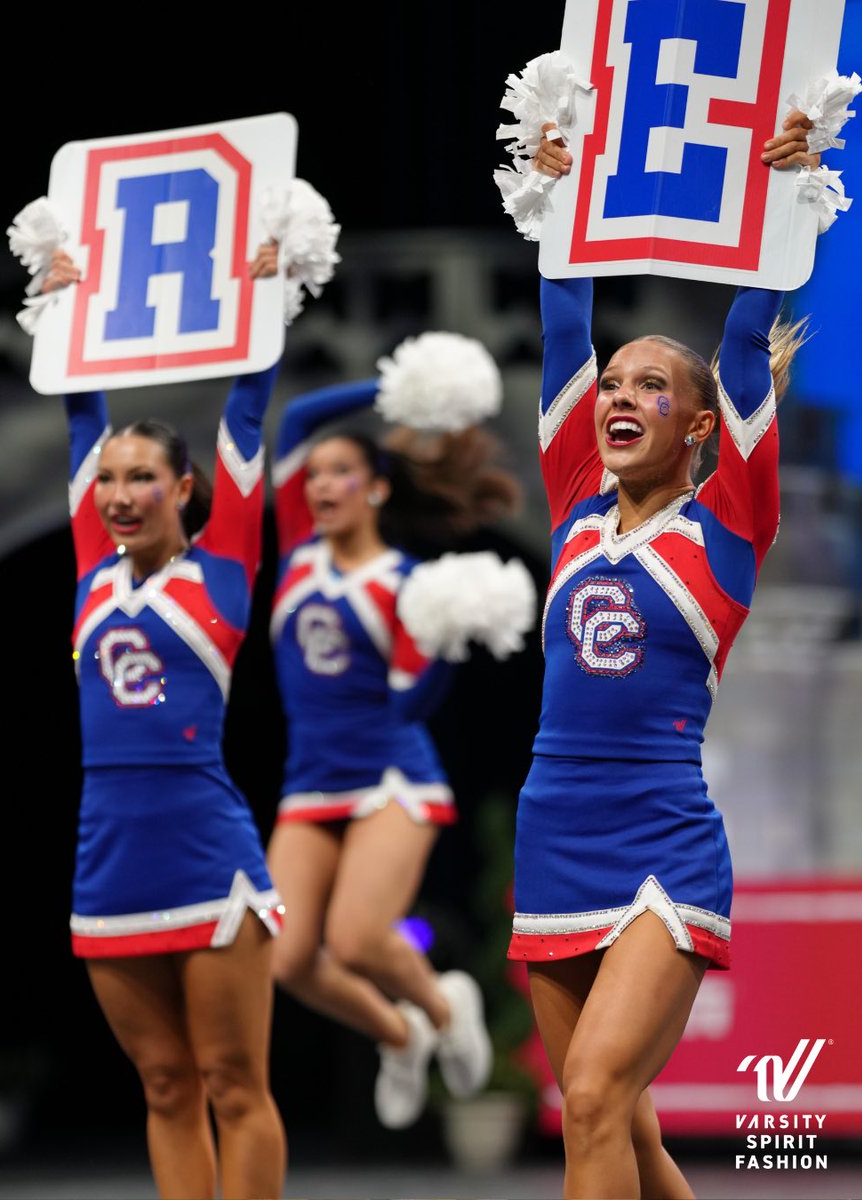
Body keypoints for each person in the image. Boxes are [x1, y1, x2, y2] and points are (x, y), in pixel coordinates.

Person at [506, 109, 828, 1198]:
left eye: (650, 387)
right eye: (613, 386)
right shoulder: (572, 509)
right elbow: (562, 332)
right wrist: (555, 201)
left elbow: (744, 344)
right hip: (551, 833)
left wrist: (783, 202)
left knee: (594, 1097)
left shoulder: (730, 527)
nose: (618, 398)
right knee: (621, 1132)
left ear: (700, 428)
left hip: (660, 842)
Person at [39, 239, 288, 1200]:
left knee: (234, 1082)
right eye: (107, 482)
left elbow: (250, 411)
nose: (117, 496)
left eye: (140, 478)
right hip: (108, 855)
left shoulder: (222, 569)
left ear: (184, 489)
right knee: (164, 1082)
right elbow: (76, 418)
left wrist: (264, 298)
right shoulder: (88, 572)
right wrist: (63, 309)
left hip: (207, 852)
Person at [266, 349, 528, 1129]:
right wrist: (395, 392)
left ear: (376, 487)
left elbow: (412, 702)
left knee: (353, 940)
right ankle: (402, 1030)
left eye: (341, 473)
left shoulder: (407, 584)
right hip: (310, 781)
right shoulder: (293, 552)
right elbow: (300, 420)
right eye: (314, 476)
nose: (320, 486)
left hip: (391, 778)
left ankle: (447, 1005)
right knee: (285, 958)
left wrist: (445, 641)